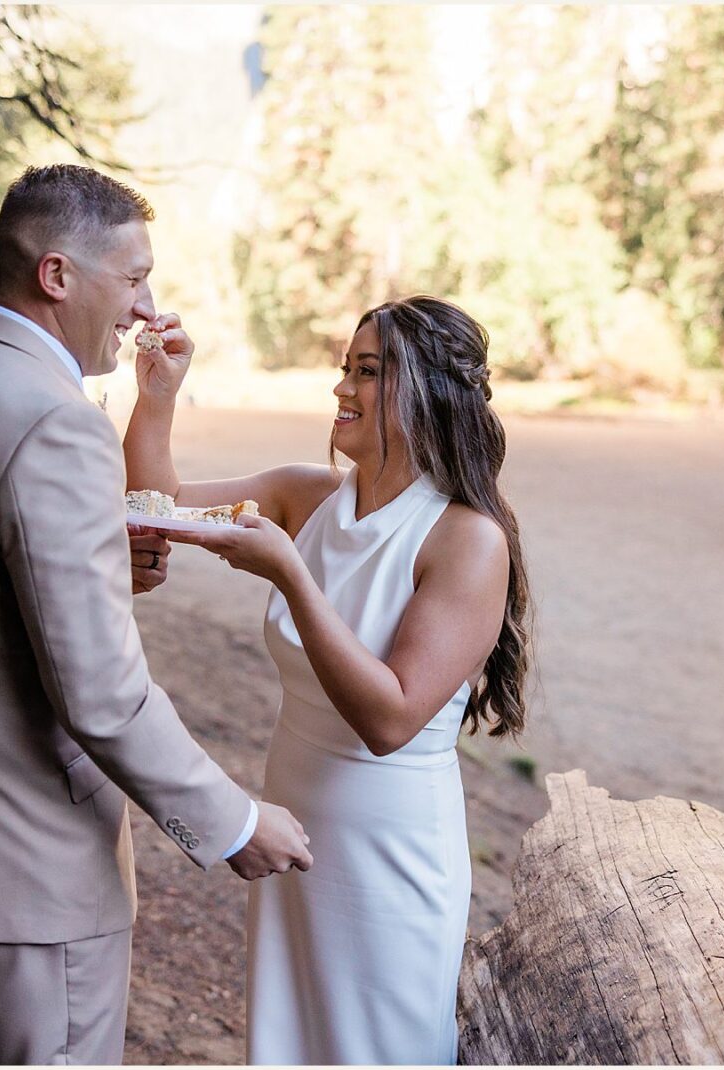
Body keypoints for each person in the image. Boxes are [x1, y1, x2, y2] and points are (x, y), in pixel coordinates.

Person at [0, 164, 311, 1066]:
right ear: (57, 276)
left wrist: (105, 557)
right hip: (24, 869)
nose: (147, 306)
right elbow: (99, 692)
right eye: (133, 278)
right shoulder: (56, 424)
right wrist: (232, 821)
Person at [123, 294, 532, 1064]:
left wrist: (290, 574)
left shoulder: (466, 540)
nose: (342, 388)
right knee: (291, 1043)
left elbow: (391, 719)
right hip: (295, 826)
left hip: (390, 851)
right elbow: (155, 510)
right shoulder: (304, 494)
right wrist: (158, 395)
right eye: (346, 368)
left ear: (430, 392)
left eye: (369, 372)